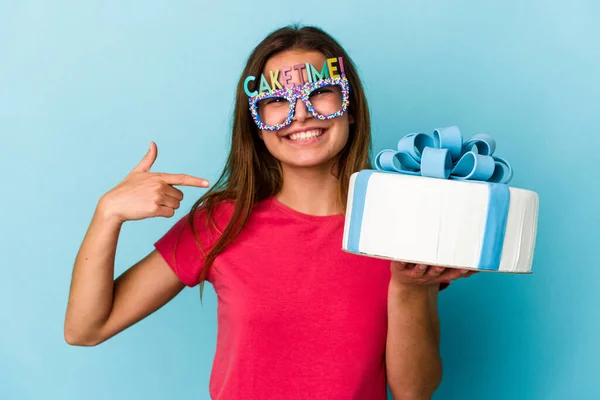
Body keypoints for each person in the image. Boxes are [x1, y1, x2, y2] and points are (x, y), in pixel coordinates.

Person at [64, 24, 475, 400]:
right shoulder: (223, 222)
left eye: (319, 93)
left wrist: (408, 287)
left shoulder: (396, 227)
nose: (301, 113)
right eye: (277, 100)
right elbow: (85, 329)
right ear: (257, 123)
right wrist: (108, 214)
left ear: (349, 107)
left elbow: (413, 391)